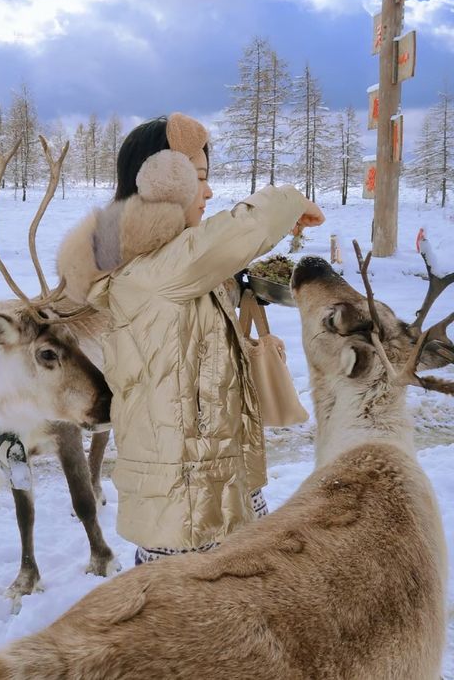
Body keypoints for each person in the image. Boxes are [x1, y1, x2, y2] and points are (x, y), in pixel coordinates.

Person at [57, 113, 324, 564]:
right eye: (198, 178)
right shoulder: (154, 268)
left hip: (216, 478)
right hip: (185, 500)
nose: (209, 191)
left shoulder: (165, 262)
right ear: (162, 183)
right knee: (187, 625)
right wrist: (288, 201)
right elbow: (234, 235)